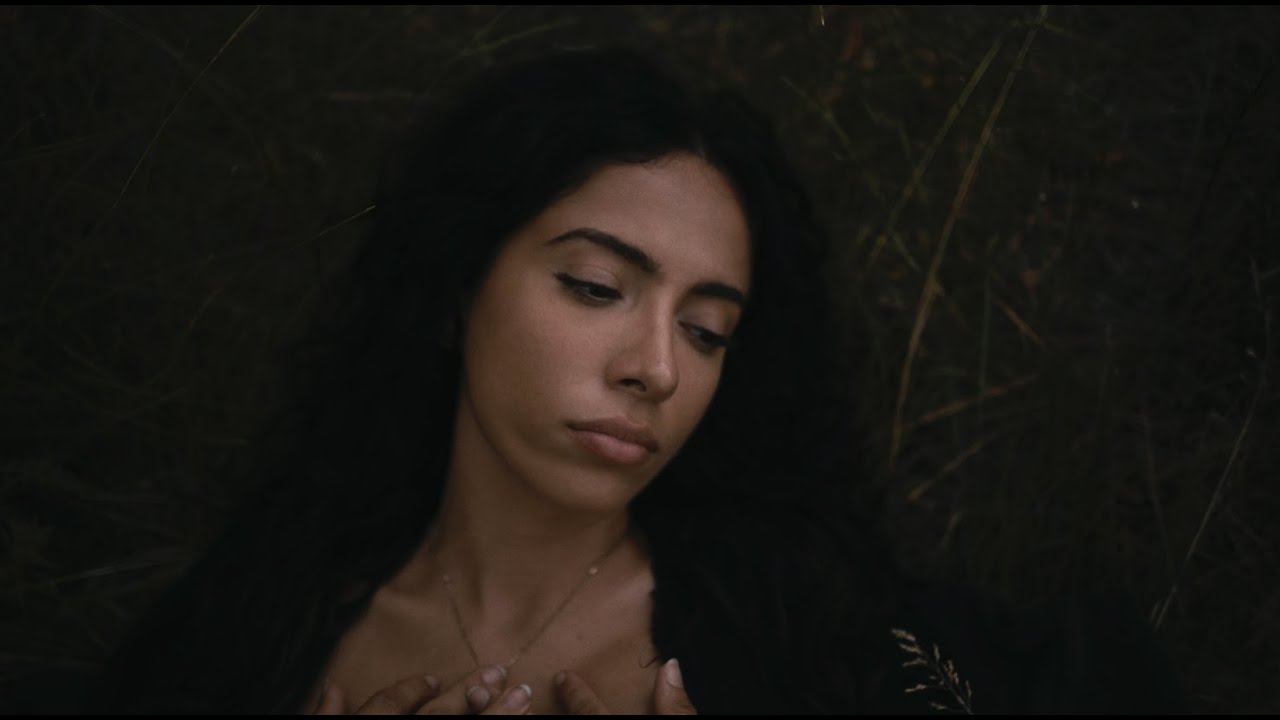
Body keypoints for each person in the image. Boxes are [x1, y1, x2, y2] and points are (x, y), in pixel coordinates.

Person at [82, 48, 1187, 715]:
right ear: (458, 284)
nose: (655, 369)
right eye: (596, 287)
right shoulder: (266, 624)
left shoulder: (804, 624)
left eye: (706, 332)